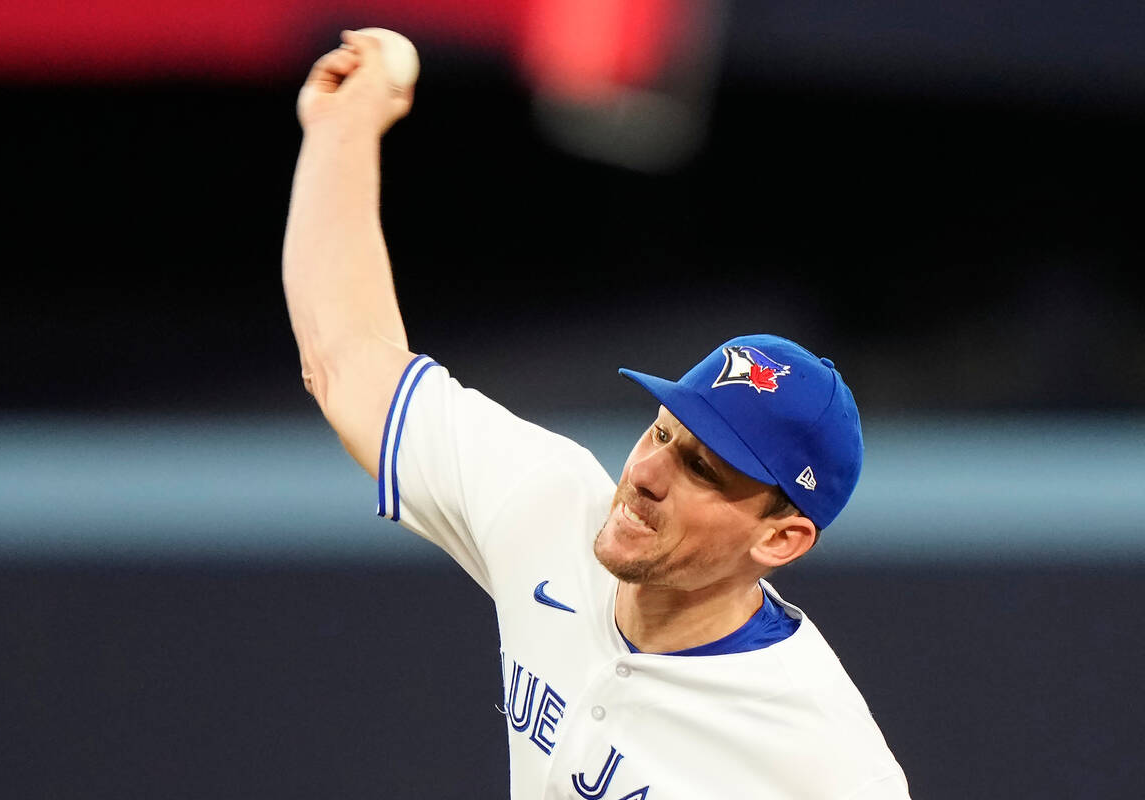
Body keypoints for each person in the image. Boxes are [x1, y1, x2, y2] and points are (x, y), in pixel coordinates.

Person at [283, 30, 911, 800]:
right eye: (662, 431)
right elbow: (348, 361)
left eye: (700, 468)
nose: (644, 473)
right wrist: (341, 132)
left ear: (781, 538)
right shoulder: (551, 503)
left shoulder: (826, 763)